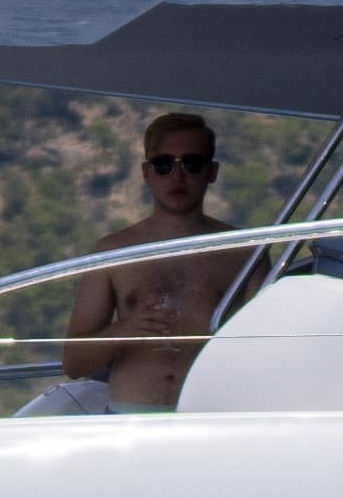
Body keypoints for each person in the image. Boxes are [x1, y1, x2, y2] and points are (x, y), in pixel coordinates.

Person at [44, 111, 231, 412]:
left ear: (212, 171)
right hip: (129, 420)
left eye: (192, 164)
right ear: (146, 172)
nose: (177, 176)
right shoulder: (112, 252)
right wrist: (126, 329)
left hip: (209, 419)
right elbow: (75, 363)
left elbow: (265, 348)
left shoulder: (243, 252)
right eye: (164, 165)